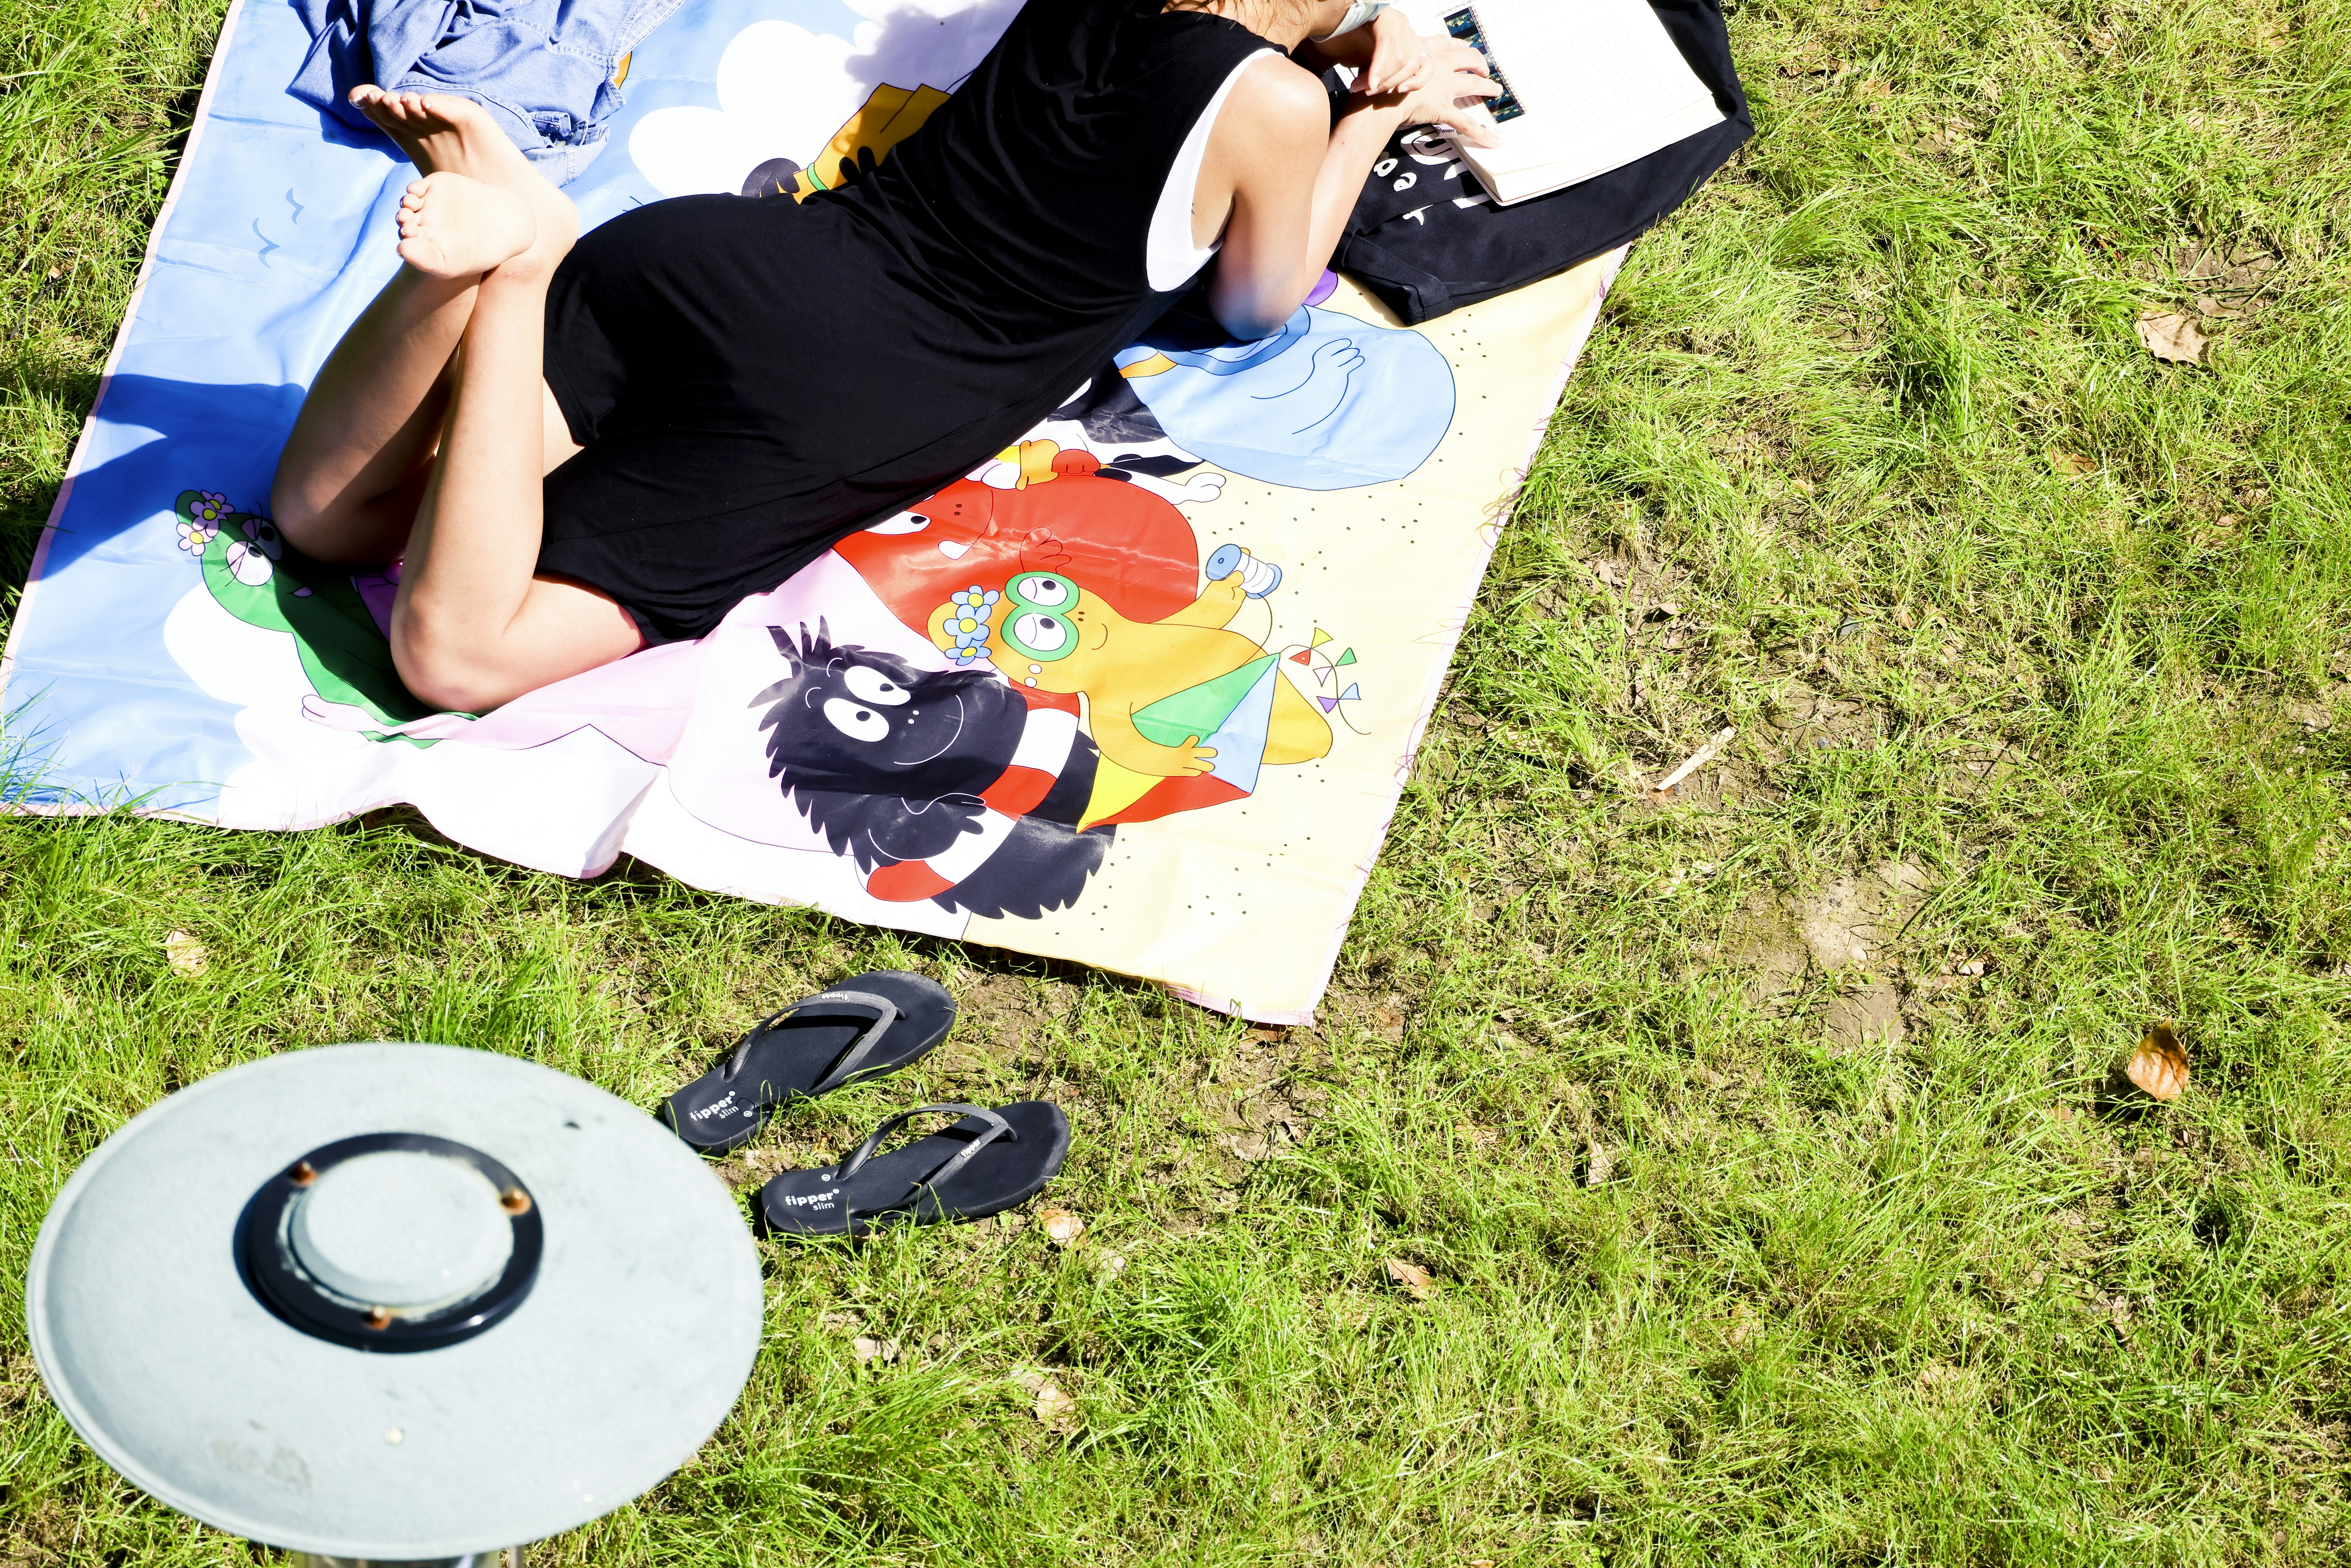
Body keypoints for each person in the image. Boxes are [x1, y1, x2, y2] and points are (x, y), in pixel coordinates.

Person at [271, 0, 1499, 712]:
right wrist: (1371, 116)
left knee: (329, 518)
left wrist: (1346, 26)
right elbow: (1255, 301)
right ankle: (522, 265)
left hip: (711, 261)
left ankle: (469, 286)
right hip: (840, 395)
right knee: (456, 651)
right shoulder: (1271, 108)